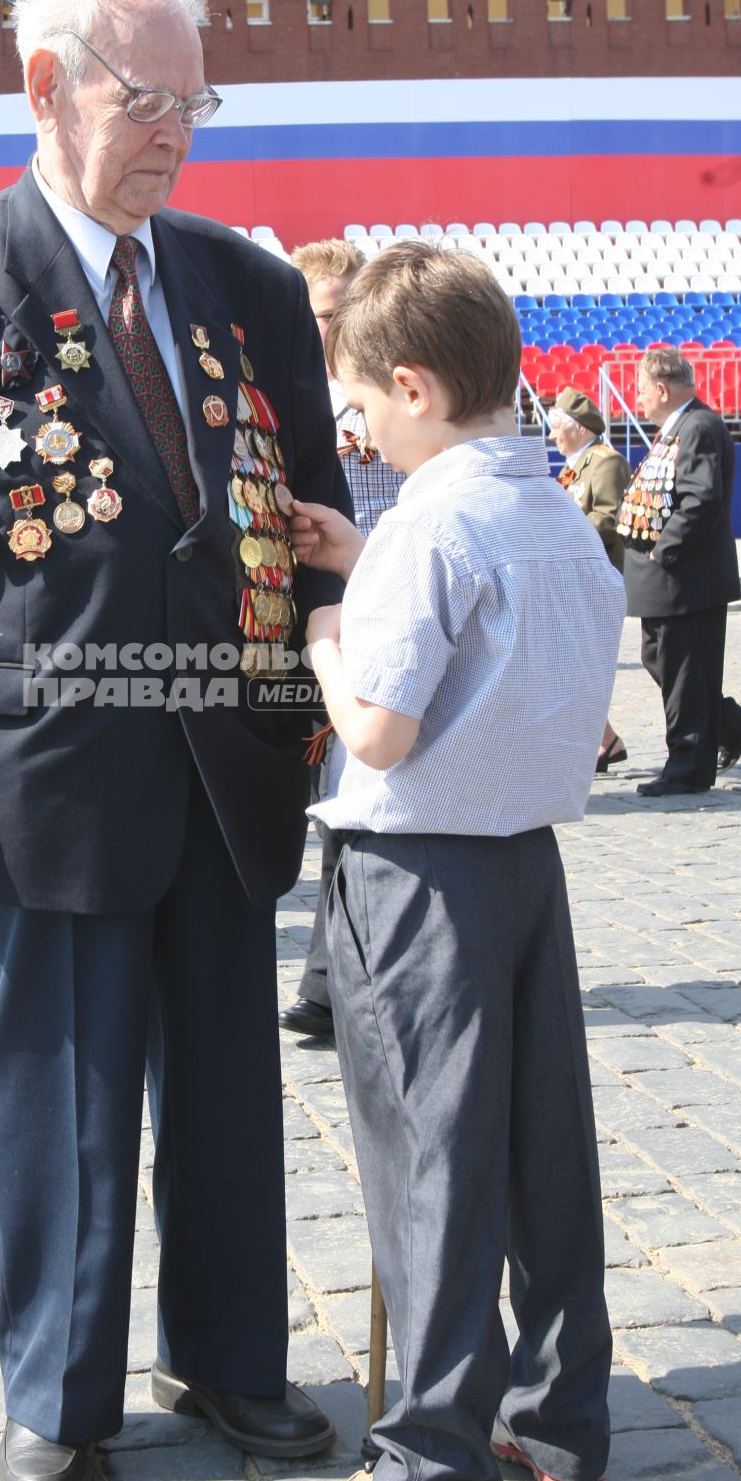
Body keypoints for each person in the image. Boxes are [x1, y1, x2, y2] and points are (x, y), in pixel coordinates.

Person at [0, 0, 349, 1481]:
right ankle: (57, 1394)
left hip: (227, 756)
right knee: (58, 1092)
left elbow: (306, 516)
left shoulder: (253, 286)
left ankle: (233, 1360)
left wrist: (315, 696)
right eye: (149, 99)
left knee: (224, 1085)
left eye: (198, 101)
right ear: (47, 88)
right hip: (35, 773)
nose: (179, 131)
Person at [282, 243, 625, 1481]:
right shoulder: (544, 501)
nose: (352, 425)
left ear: (414, 387)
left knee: (428, 1169)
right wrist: (372, 557)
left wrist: (327, 623)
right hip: (524, 867)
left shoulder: (427, 520)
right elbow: (492, 613)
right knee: (545, 1155)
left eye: (359, 402)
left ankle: (427, 1479)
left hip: (418, 876)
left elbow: (377, 720)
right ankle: (563, 1422)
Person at [281, 239, 406, 1043]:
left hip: (381, 606)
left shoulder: (388, 395)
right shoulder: (287, 401)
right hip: (300, 615)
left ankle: (334, 981)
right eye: (322, 312)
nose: (333, 326)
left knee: (355, 801)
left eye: (342, 308)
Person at [620, 347, 741, 797]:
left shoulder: (698, 426)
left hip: (687, 578)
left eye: (641, 389)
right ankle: (730, 726)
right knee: (666, 662)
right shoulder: (678, 426)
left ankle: (687, 764)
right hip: (670, 581)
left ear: (662, 389)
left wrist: (663, 552)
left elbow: (700, 499)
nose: (637, 397)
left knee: (685, 673)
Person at [548, 385, 631, 773]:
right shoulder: (576, 465)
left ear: (578, 427)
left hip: (594, 582)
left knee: (577, 665)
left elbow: (610, 519)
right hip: (571, 580)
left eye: (556, 428)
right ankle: (603, 740)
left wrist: (564, 529)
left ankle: (602, 740)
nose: (551, 436)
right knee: (568, 663)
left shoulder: (606, 462)